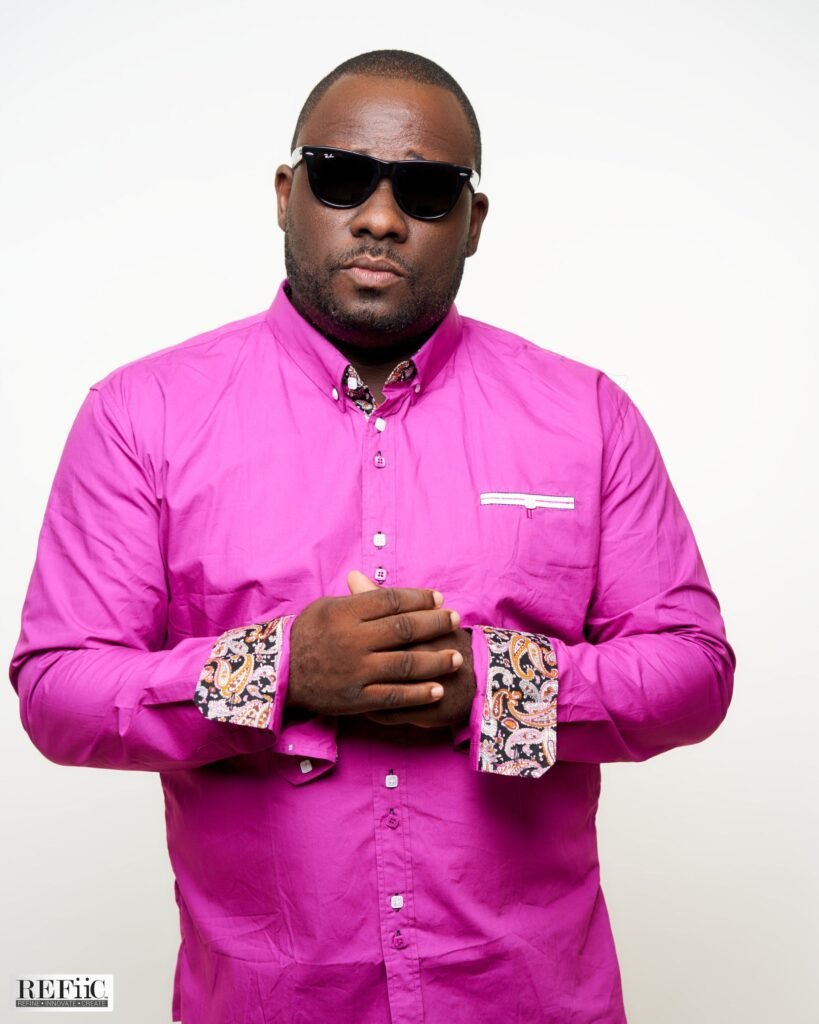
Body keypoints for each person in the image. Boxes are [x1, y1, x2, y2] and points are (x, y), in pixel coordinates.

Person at [8, 48, 735, 1024]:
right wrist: (279, 671)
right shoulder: (144, 416)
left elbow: (693, 667)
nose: (381, 218)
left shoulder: (586, 416)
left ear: (473, 221)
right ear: (285, 194)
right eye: (342, 176)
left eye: (426, 192)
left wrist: (494, 687)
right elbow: (59, 687)